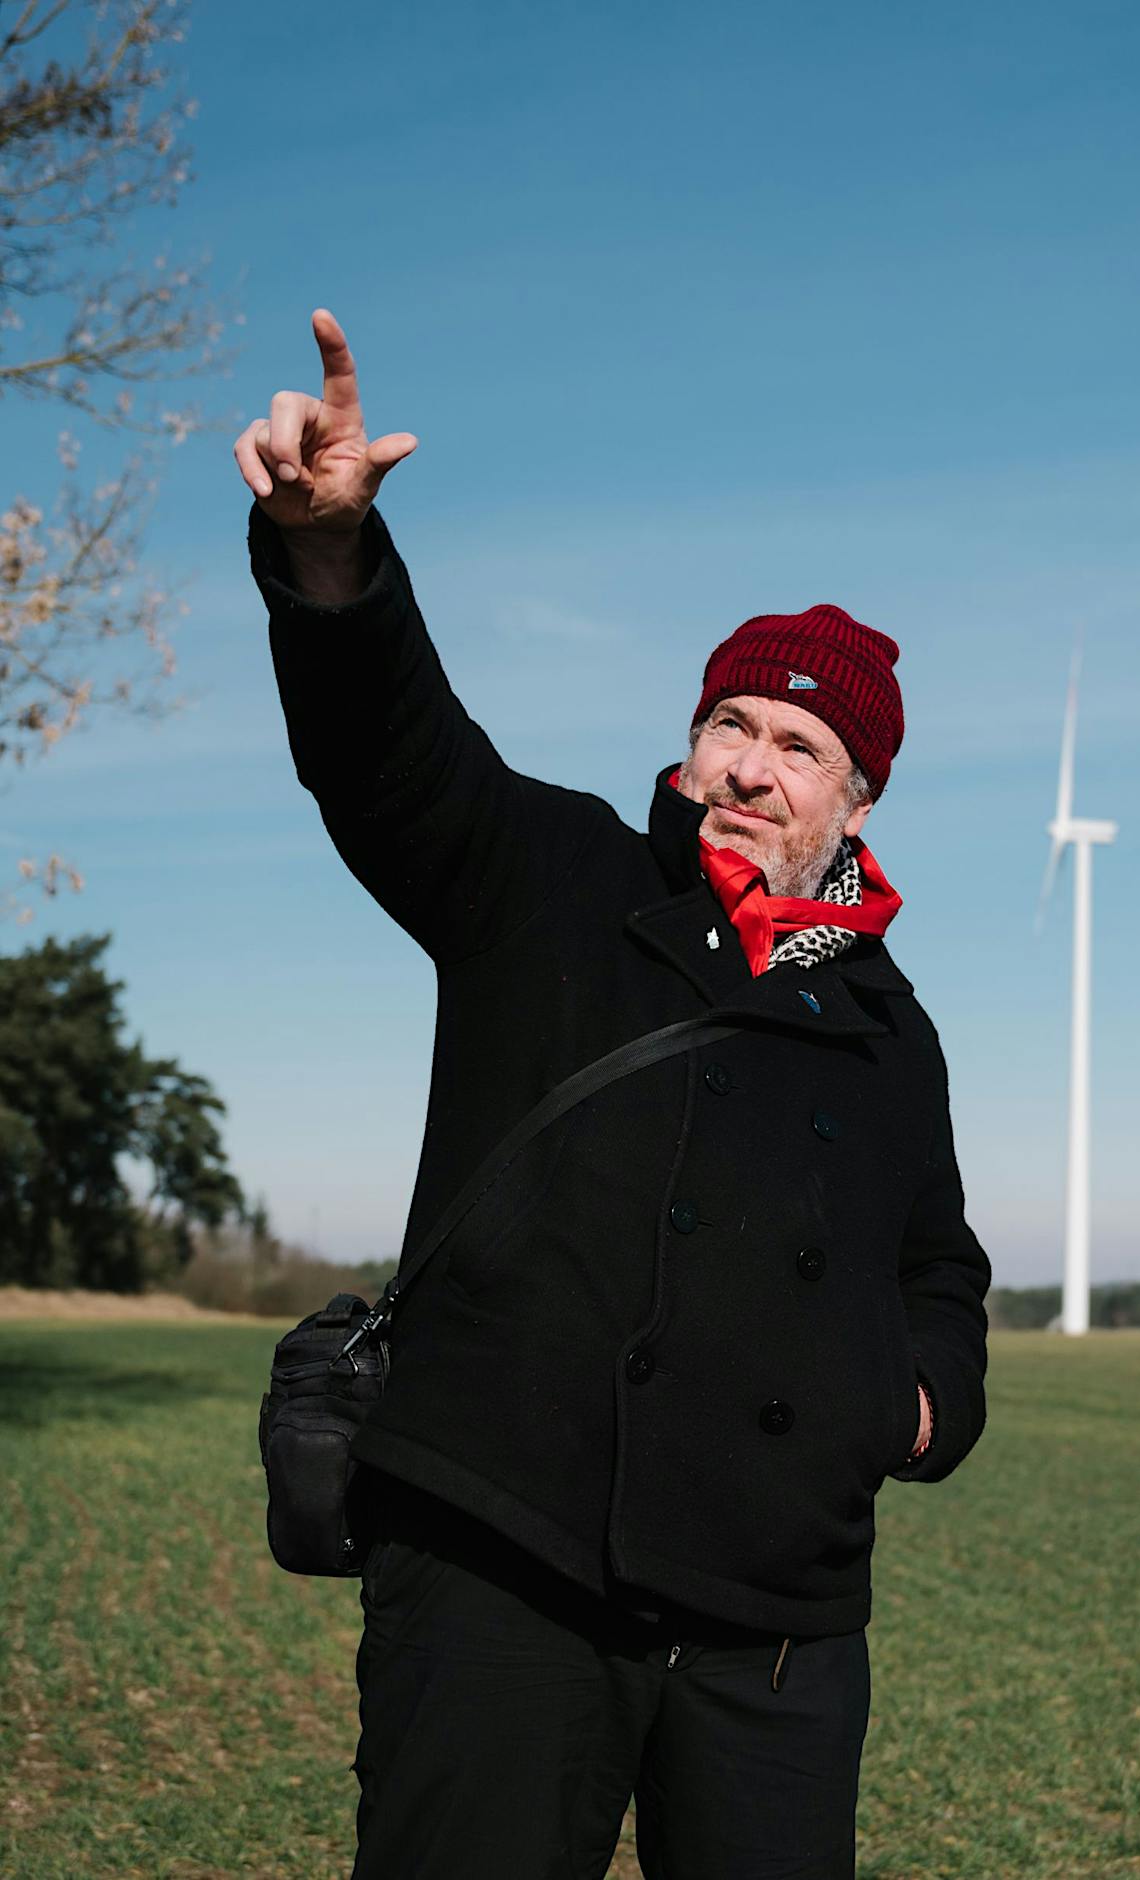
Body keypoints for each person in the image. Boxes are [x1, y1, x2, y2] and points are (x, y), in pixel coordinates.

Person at [235, 309, 992, 1880]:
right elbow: (392, 756)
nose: (751, 766)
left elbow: (939, 1266)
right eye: (732, 724)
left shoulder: (885, 1023)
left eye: (800, 744)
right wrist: (332, 561)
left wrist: (917, 1403)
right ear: (689, 739)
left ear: (858, 800)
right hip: (504, 1566)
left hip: (775, 1624)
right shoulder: (559, 871)